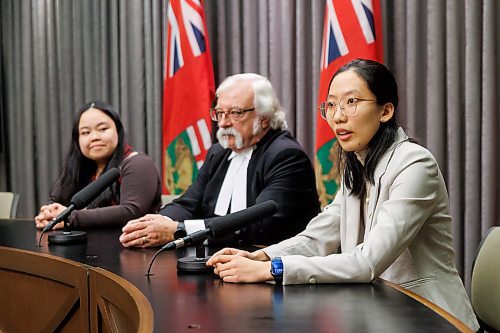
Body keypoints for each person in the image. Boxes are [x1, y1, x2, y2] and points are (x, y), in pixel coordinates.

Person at [206, 59, 479, 330]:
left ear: (385, 111)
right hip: (379, 311)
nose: (337, 116)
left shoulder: (415, 165)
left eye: (351, 102)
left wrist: (274, 270)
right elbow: (317, 238)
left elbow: (367, 261)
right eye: (332, 105)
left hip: (431, 317)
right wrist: (261, 257)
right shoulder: (357, 164)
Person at [119, 73, 320, 248]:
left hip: (270, 269)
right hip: (218, 258)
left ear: (264, 118)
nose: (223, 123)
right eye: (220, 113)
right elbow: (189, 203)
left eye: (235, 113)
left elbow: (259, 226)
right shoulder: (219, 152)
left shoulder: (286, 156)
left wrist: (178, 230)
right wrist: (155, 223)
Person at [35, 101, 162, 229]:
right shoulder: (80, 168)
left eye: (102, 129)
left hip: (129, 246)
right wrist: (49, 214)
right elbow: (56, 200)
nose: (94, 137)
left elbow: (131, 211)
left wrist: (69, 217)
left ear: (118, 131)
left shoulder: (137, 163)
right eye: (85, 132)